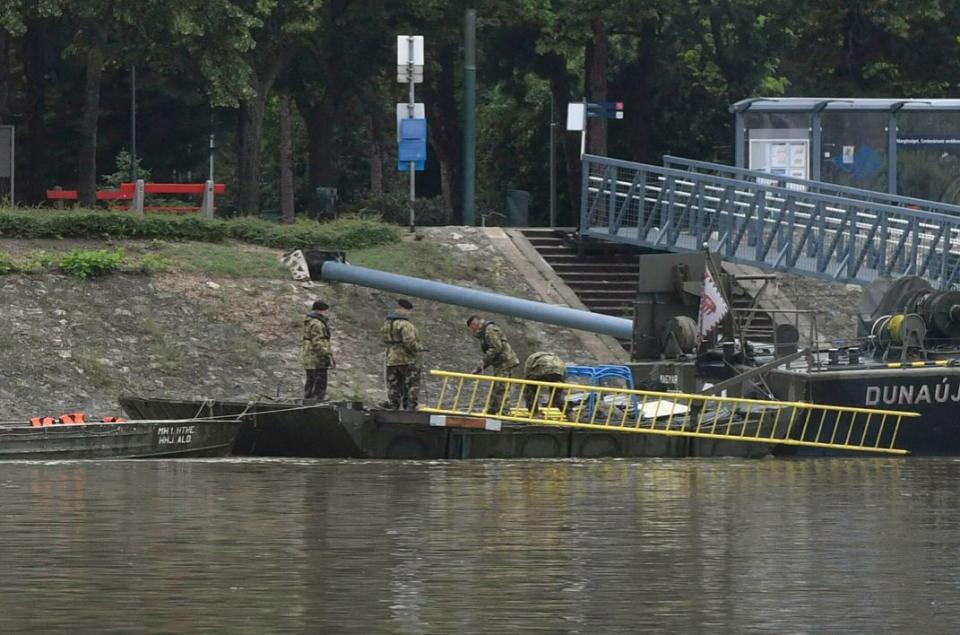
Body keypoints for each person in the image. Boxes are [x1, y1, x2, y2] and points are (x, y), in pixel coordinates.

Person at [467, 315, 519, 414]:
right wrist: (479, 368)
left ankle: (504, 411)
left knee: (501, 386)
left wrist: (483, 362)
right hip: (501, 362)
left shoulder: (489, 330)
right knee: (498, 386)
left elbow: (495, 348)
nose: (472, 331)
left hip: (505, 361)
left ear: (475, 324)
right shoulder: (485, 332)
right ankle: (494, 410)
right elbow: (493, 351)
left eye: (471, 328)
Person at [381, 298, 422, 410]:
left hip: (391, 358)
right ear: (404, 309)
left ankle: (393, 405)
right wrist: (419, 349)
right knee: (412, 383)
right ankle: (410, 406)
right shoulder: (406, 325)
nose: (409, 313)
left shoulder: (387, 323)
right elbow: (409, 342)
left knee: (394, 384)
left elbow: (385, 339)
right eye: (408, 311)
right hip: (406, 359)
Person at [302, 300, 333, 402]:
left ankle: (308, 399)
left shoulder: (309, 321)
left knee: (310, 379)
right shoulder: (318, 324)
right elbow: (318, 341)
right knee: (319, 380)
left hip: (309, 355)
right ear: (322, 311)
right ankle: (317, 400)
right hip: (317, 357)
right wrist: (326, 354)